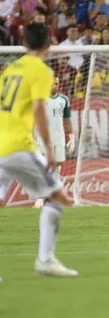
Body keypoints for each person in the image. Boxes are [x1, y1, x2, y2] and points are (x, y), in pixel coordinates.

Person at [0, 23, 77, 277]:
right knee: (57, 197)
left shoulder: (10, 69)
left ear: (24, 43)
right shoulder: (41, 71)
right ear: (49, 44)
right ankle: (45, 259)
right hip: (18, 147)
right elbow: (39, 109)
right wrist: (50, 149)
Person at [33, 77, 75, 208]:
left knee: (57, 168)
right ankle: (40, 198)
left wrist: (71, 136)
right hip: (41, 138)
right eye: (52, 84)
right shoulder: (40, 99)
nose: (54, 86)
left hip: (58, 138)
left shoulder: (64, 100)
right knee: (42, 167)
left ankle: (53, 197)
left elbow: (67, 119)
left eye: (56, 84)